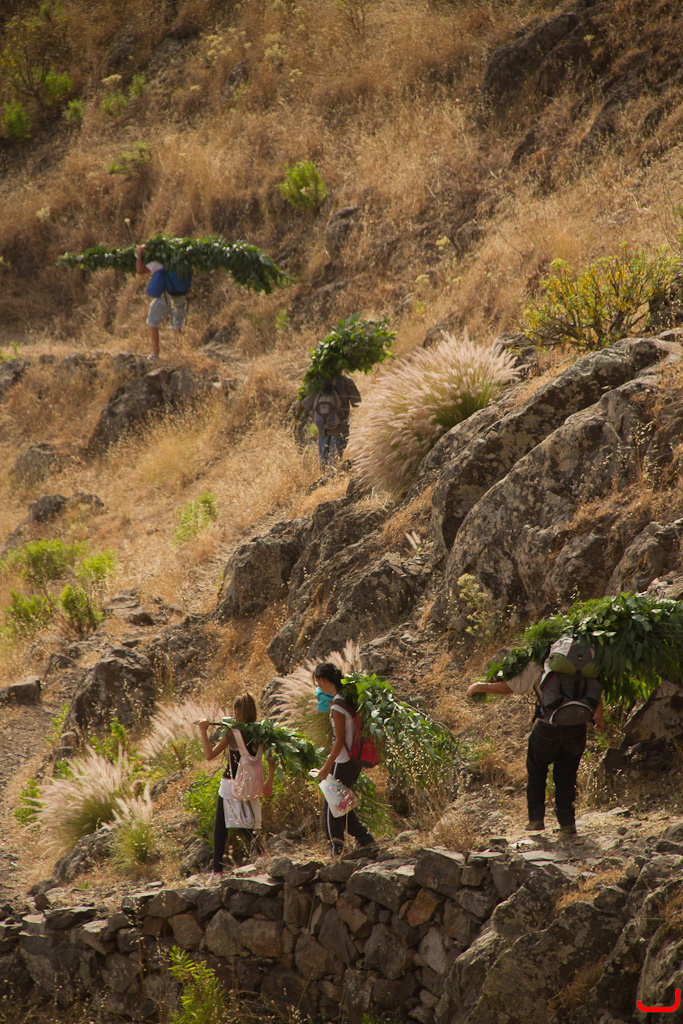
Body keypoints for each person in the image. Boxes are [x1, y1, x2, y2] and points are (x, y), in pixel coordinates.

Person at [466, 659, 604, 837]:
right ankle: (567, 824)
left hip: (548, 727)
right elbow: (595, 689)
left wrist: (478, 686)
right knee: (567, 775)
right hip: (577, 728)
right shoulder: (583, 660)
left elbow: (509, 687)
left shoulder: (539, 662)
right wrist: (598, 715)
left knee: (537, 769)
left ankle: (536, 820)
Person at [197, 693, 274, 878]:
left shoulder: (232, 734)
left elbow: (209, 755)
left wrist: (202, 730)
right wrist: (268, 782)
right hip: (251, 784)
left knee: (222, 828)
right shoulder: (260, 734)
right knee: (245, 821)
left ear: (237, 712)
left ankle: (217, 871)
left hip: (231, 785)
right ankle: (262, 853)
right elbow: (271, 762)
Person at [314, 662, 376, 856]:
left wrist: (326, 767)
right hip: (354, 760)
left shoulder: (337, 705)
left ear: (322, 680)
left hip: (342, 761)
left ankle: (337, 849)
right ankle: (365, 839)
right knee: (341, 803)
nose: (319, 687)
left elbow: (340, 740)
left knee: (331, 806)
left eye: (318, 683)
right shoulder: (348, 698)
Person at [136, 244, 191, 359]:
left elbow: (139, 270)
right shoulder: (181, 261)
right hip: (180, 296)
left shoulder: (157, 263)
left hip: (164, 298)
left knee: (152, 321)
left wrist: (139, 254)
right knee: (177, 324)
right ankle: (180, 355)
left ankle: (155, 354)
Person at [301, 374, 361, 467]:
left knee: (323, 464)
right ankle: (336, 475)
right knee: (333, 464)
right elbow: (356, 402)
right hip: (340, 429)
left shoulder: (317, 382)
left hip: (323, 429)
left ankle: (327, 476)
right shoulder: (346, 381)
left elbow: (306, 404)